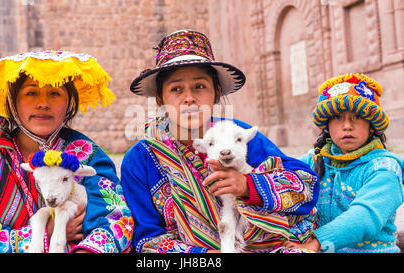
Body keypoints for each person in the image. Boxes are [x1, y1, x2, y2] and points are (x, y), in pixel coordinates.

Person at [121, 29, 320, 253]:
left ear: (215, 93)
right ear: (160, 99)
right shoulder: (140, 160)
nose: (189, 98)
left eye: (199, 86)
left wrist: (248, 186)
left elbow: (307, 187)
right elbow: (146, 241)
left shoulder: (239, 135)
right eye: (176, 89)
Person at [0, 51, 133, 253]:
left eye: (55, 93)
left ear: (69, 103)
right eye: (31, 93)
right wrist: (41, 234)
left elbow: (116, 219)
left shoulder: (88, 155)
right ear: (13, 102)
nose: (43, 103)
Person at [287, 73, 404, 253]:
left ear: (371, 125)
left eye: (357, 117)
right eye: (337, 117)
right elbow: (278, 172)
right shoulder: (314, 160)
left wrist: (316, 242)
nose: (347, 126)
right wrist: (245, 184)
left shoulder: (385, 169)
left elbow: (365, 217)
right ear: (326, 125)